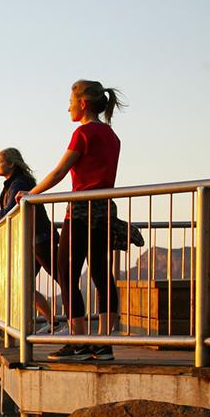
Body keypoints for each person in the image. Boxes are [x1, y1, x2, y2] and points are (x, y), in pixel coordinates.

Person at [15, 79, 126, 361]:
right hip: (104, 210)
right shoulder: (112, 136)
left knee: (66, 273)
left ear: (83, 103)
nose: (68, 108)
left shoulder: (83, 134)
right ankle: (103, 342)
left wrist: (31, 194)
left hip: (80, 210)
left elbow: (59, 172)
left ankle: (77, 341)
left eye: (70, 102)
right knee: (101, 273)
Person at [0, 147, 60, 333]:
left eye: (0, 161)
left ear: (11, 163)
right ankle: (54, 323)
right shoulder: (15, 183)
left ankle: (70, 327)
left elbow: (8, 212)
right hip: (35, 240)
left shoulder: (19, 183)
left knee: (63, 281)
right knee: (23, 284)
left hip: (40, 239)